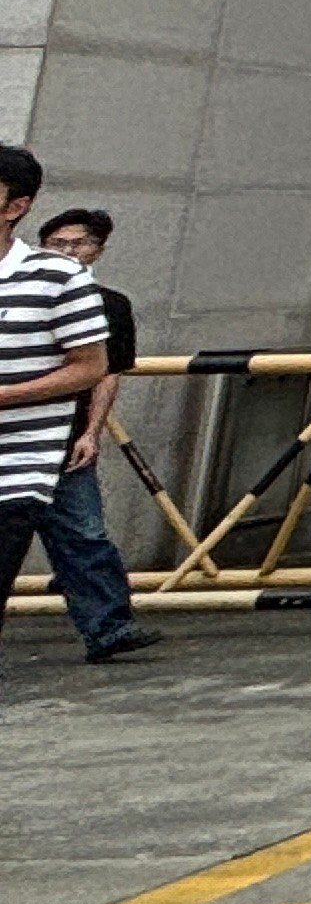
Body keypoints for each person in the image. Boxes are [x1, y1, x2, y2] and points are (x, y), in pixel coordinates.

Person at [0, 148, 114, 700]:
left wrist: (7, 396)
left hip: (18, 468)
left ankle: (108, 625)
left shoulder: (59, 278)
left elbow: (91, 367)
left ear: (15, 206)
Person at [20, 210, 154, 667]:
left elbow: (107, 374)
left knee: (84, 535)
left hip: (66, 439)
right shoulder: (19, 292)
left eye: (79, 244)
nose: (68, 252)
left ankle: (108, 628)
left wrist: (91, 434)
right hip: (13, 436)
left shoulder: (109, 304)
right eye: (56, 243)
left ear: (98, 250)